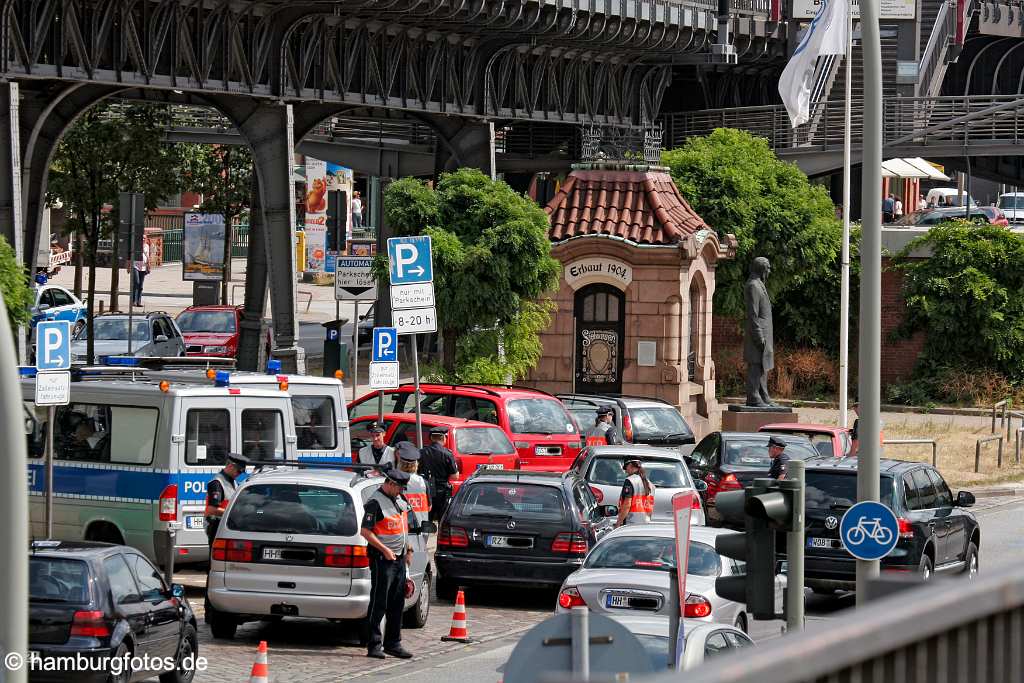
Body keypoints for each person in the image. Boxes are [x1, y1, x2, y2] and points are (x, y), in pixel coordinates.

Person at [361, 467, 415, 660]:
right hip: (382, 559)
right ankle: (374, 644)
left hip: (399, 558)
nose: (401, 491)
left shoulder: (400, 499)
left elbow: (403, 527)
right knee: (379, 603)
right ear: (390, 484)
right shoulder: (375, 503)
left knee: (397, 603)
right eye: (399, 487)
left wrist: (408, 550)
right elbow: (365, 532)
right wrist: (384, 549)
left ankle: (393, 643)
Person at [743, 257, 776, 407]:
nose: (769, 271)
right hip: (757, 334)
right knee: (755, 365)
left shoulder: (759, 284)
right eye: (767, 268)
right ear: (761, 269)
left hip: (764, 334)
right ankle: (753, 397)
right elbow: (753, 314)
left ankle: (763, 395)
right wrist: (759, 336)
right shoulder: (753, 286)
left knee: (763, 366)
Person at [204, 453, 250, 546]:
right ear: (231, 466)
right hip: (216, 526)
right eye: (239, 471)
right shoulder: (217, 483)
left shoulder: (233, 481)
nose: (239, 474)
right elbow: (211, 510)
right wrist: (233, 514)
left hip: (226, 525)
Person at [419, 426, 457, 521]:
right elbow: (455, 476)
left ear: (431, 438)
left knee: (426, 520)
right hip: (442, 492)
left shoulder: (421, 452)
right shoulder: (447, 454)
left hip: (425, 491)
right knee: (442, 521)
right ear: (444, 438)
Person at [396, 442, 431, 520]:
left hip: (403, 526)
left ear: (400, 463)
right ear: (416, 464)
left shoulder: (395, 481)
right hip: (422, 527)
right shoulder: (423, 482)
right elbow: (429, 507)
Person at [615, 458, 654, 527]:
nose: (626, 471)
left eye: (626, 468)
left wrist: (618, 523)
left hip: (631, 523)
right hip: (645, 524)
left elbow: (627, 504)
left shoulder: (630, 481)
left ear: (630, 465)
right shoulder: (650, 484)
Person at [130, 235, 151, 307]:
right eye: (142, 238)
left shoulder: (147, 246)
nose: (143, 239)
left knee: (141, 285)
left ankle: (138, 302)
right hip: (135, 266)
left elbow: (148, 256)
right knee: (136, 282)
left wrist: (149, 266)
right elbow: (130, 255)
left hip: (143, 267)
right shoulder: (135, 245)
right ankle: (133, 301)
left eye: (144, 238)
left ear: (146, 239)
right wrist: (128, 266)